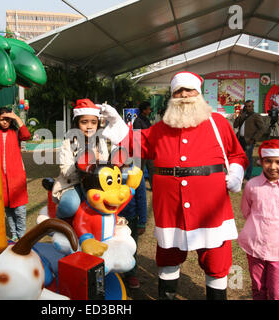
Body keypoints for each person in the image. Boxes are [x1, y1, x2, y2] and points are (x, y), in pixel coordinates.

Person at [101, 71, 248, 300]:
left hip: (210, 207)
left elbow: (237, 154)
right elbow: (135, 145)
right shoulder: (161, 127)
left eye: (189, 90)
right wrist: (117, 124)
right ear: (172, 96)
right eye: (178, 91)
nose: (184, 95)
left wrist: (237, 173)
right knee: (168, 254)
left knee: (216, 257)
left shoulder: (218, 123)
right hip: (171, 206)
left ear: (198, 94)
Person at [238, 139, 279, 300]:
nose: (273, 167)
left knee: (277, 292)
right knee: (258, 288)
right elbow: (247, 211)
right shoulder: (252, 186)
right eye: (268, 161)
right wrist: (258, 227)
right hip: (255, 245)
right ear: (261, 162)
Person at [52, 99, 109, 219]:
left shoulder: (100, 141)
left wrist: (100, 161)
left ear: (97, 124)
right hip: (73, 183)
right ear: (77, 123)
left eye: (93, 122)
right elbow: (66, 171)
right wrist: (82, 164)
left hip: (96, 183)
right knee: (70, 205)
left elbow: (105, 166)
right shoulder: (69, 142)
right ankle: (57, 222)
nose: (89, 126)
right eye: (84, 122)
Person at [0, 107, 31, 242]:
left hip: (16, 177)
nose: (4, 122)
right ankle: (14, 233)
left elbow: (27, 135)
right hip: (1, 179)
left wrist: (16, 117)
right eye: (2, 119)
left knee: (20, 210)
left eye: (7, 119)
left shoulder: (16, 132)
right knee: (8, 210)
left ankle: (22, 235)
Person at [118, 168, 147, 289]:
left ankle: (131, 274)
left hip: (131, 219)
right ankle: (112, 273)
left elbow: (141, 199)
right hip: (112, 217)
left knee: (131, 247)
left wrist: (142, 222)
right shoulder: (107, 170)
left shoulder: (136, 173)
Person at [233, 100, 266, 181]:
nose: (248, 108)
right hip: (240, 139)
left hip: (249, 140)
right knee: (239, 158)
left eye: (249, 106)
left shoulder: (256, 116)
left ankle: (247, 176)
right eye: (246, 106)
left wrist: (254, 139)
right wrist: (240, 115)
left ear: (252, 107)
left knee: (248, 158)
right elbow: (235, 125)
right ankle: (239, 174)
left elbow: (262, 128)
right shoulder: (243, 115)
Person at [132, 101, 155, 189]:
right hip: (141, 149)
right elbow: (137, 136)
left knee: (152, 168)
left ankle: (153, 187)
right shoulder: (137, 122)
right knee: (139, 169)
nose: (150, 111)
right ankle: (137, 187)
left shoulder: (146, 120)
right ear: (144, 110)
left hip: (148, 149)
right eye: (149, 109)